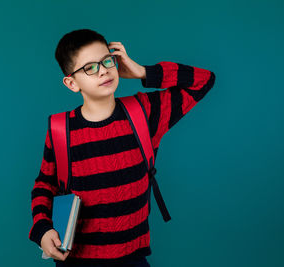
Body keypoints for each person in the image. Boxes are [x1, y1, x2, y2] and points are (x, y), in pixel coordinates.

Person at [29, 29, 216, 267]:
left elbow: (204, 80)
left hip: (133, 258)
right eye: (90, 67)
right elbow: (45, 185)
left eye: (107, 60)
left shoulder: (145, 112)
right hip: (76, 261)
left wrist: (143, 72)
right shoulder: (59, 129)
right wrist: (43, 230)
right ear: (72, 83)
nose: (104, 70)